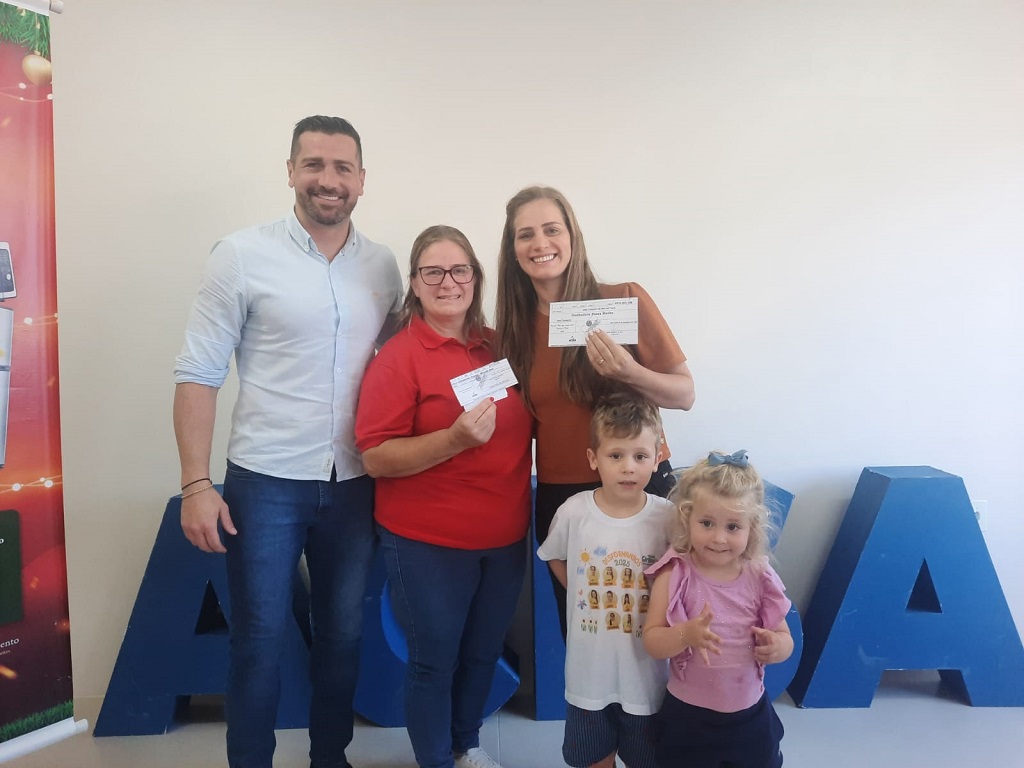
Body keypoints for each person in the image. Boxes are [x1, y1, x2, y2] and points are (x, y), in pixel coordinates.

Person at [173, 115, 403, 768]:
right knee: (257, 642)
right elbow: (197, 373)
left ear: (362, 179)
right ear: (291, 171)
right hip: (265, 483)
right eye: (314, 165)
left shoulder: (383, 265)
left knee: (343, 637)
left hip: (355, 483)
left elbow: (401, 367)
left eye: (342, 167)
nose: (328, 180)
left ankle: (330, 758)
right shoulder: (240, 254)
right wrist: (196, 484)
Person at [354, 226, 533, 768]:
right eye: (432, 271)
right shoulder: (398, 357)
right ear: (414, 283)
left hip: (503, 538)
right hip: (427, 543)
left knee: (482, 654)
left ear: (476, 278)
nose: (447, 282)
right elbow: (375, 457)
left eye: (459, 270)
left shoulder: (501, 346)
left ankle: (466, 747)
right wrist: (452, 440)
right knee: (434, 662)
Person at [494, 185, 696, 637]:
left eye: (552, 229)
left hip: (639, 484)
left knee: (659, 628)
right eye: (526, 235)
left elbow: (684, 394)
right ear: (513, 250)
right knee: (589, 632)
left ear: (572, 236)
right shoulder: (513, 332)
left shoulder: (623, 300)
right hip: (563, 499)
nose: (540, 243)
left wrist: (629, 372)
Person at [537, 393, 676, 768]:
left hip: (647, 680)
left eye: (640, 456)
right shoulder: (574, 512)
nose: (628, 467)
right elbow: (553, 555)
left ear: (657, 458)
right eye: (616, 455)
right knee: (593, 759)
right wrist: (577, 590)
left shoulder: (668, 518)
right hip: (588, 678)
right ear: (593, 458)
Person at [643, 450, 793, 768]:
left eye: (733, 527)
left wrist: (777, 647)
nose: (719, 538)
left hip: (750, 716)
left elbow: (785, 638)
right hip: (688, 718)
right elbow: (652, 641)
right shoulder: (675, 573)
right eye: (707, 523)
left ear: (752, 527)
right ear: (687, 519)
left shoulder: (760, 575)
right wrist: (685, 634)